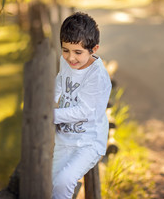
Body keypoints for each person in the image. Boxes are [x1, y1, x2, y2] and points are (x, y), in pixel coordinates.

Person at [52, 12, 112, 198]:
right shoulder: (66, 61)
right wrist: (48, 101)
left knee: (64, 182)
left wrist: (51, 115)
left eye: (78, 52)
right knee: (49, 182)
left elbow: (85, 111)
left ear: (93, 49)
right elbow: (60, 81)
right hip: (64, 137)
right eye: (65, 50)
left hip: (88, 142)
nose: (70, 58)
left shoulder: (97, 76)